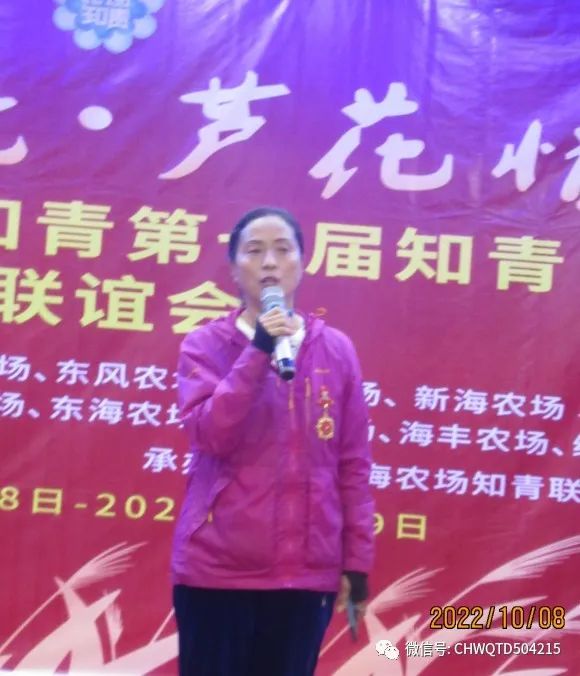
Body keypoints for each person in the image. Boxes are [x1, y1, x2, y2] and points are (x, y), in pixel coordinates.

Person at [171, 206, 375, 676]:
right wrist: (258, 349)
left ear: (302, 263)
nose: (269, 263)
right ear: (232, 268)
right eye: (254, 251)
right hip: (217, 574)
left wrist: (356, 562)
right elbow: (210, 435)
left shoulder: (336, 350)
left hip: (303, 577)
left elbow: (352, 463)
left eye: (283, 250)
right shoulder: (204, 345)